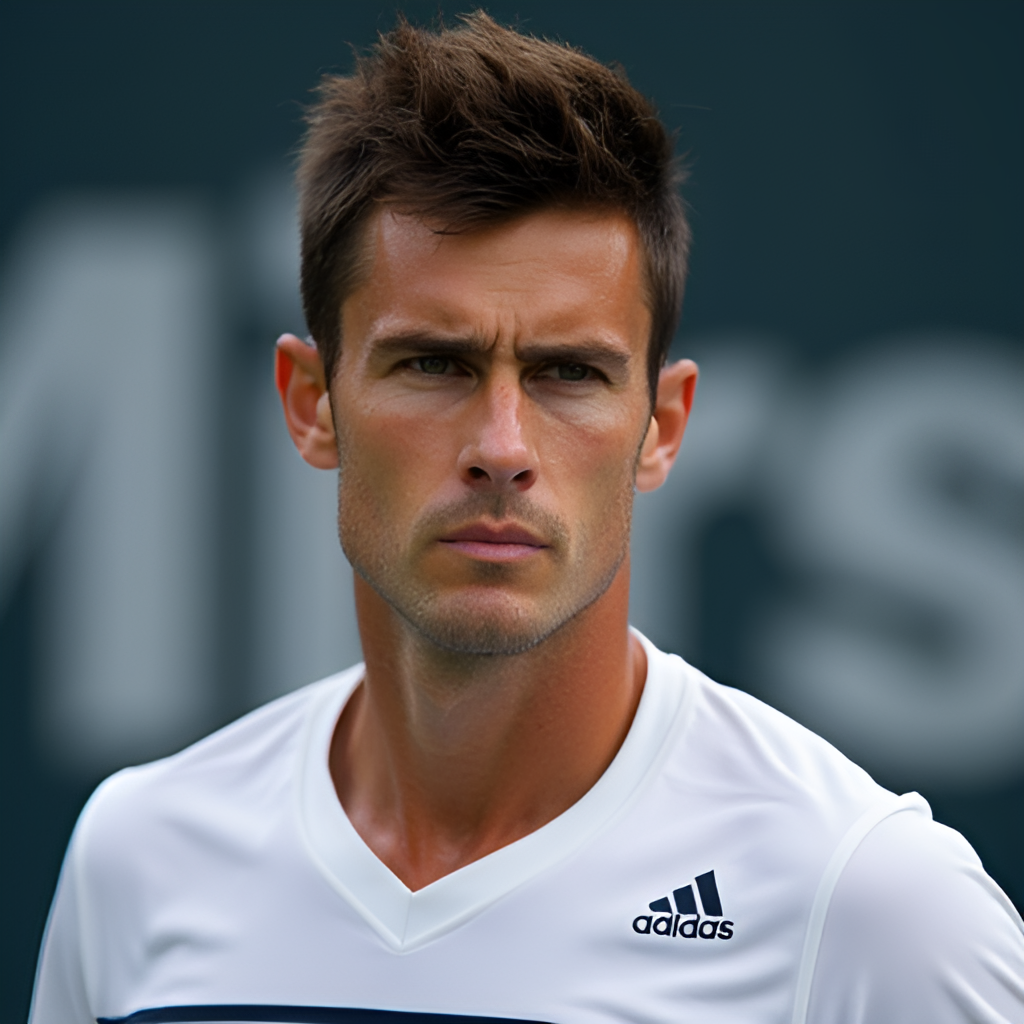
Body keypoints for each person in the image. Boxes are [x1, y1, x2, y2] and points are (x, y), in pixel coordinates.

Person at [29, 13, 1024, 1024]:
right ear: (310, 402)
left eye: (567, 373)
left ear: (661, 426)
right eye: (434, 363)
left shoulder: (866, 904)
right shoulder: (136, 855)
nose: (500, 445)